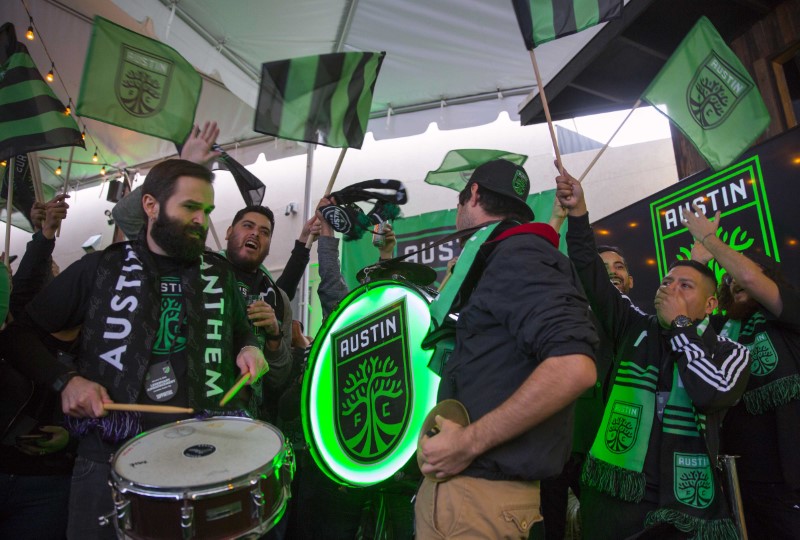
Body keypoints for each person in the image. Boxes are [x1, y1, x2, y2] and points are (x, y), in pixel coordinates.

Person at [5, 159, 267, 539]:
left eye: (206, 210)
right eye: (190, 207)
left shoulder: (220, 275)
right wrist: (67, 382)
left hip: (205, 457)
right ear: (150, 205)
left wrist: (250, 348)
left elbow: (243, 331)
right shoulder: (99, 269)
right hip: (108, 461)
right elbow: (17, 337)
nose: (200, 219)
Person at [556, 170, 750, 539]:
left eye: (685, 285)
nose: (670, 288)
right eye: (666, 281)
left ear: (710, 304)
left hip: (684, 504)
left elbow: (711, 394)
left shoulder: (730, 350)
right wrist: (579, 213)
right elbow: (587, 269)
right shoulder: (633, 325)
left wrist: (679, 326)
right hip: (617, 494)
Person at [415, 159, 599, 539]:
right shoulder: (500, 257)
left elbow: (574, 366)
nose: (457, 209)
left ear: (475, 194)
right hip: (465, 497)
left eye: (459, 199)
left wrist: (468, 442)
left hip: (483, 503)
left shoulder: (519, 254)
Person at [683, 205, 800, 538]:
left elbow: (749, 276)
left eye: (742, 271)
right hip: (735, 480)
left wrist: (709, 237)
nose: (735, 279)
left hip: (789, 480)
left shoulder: (789, 315)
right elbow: (684, 320)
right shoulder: (720, 328)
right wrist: (698, 262)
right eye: (728, 277)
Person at [541, 244, 636, 540]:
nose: (612, 272)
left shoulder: (645, 325)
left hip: (613, 453)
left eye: (619, 266)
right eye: (602, 267)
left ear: (630, 279)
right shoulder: (561, 321)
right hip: (559, 448)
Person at [0, 194, 74, 540]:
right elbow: (26, 283)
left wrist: (68, 438)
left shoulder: (90, 346)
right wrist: (44, 235)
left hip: (45, 483)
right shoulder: (18, 336)